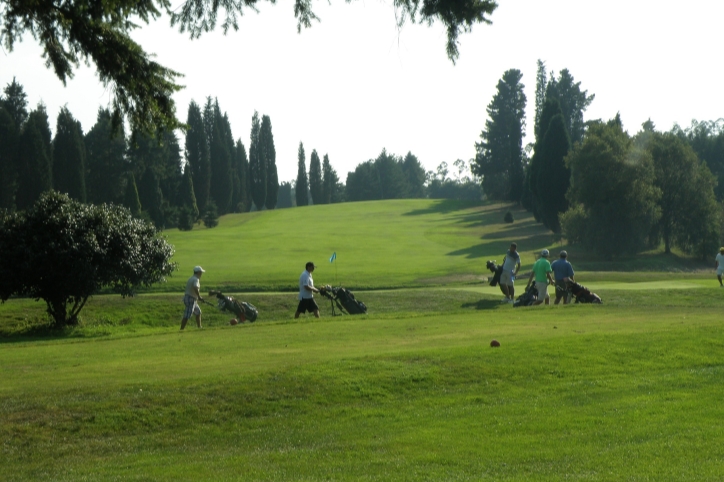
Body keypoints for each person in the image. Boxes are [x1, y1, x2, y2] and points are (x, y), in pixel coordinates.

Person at [180, 266, 205, 330]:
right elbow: (195, 287)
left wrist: (197, 297)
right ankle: (181, 329)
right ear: (198, 272)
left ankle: (199, 327)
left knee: (198, 312)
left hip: (191, 298)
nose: (201, 274)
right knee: (187, 315)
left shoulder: (191, 278)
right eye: (201, 272)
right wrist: (199, 296)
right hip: (191, 299)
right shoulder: (196, 279)